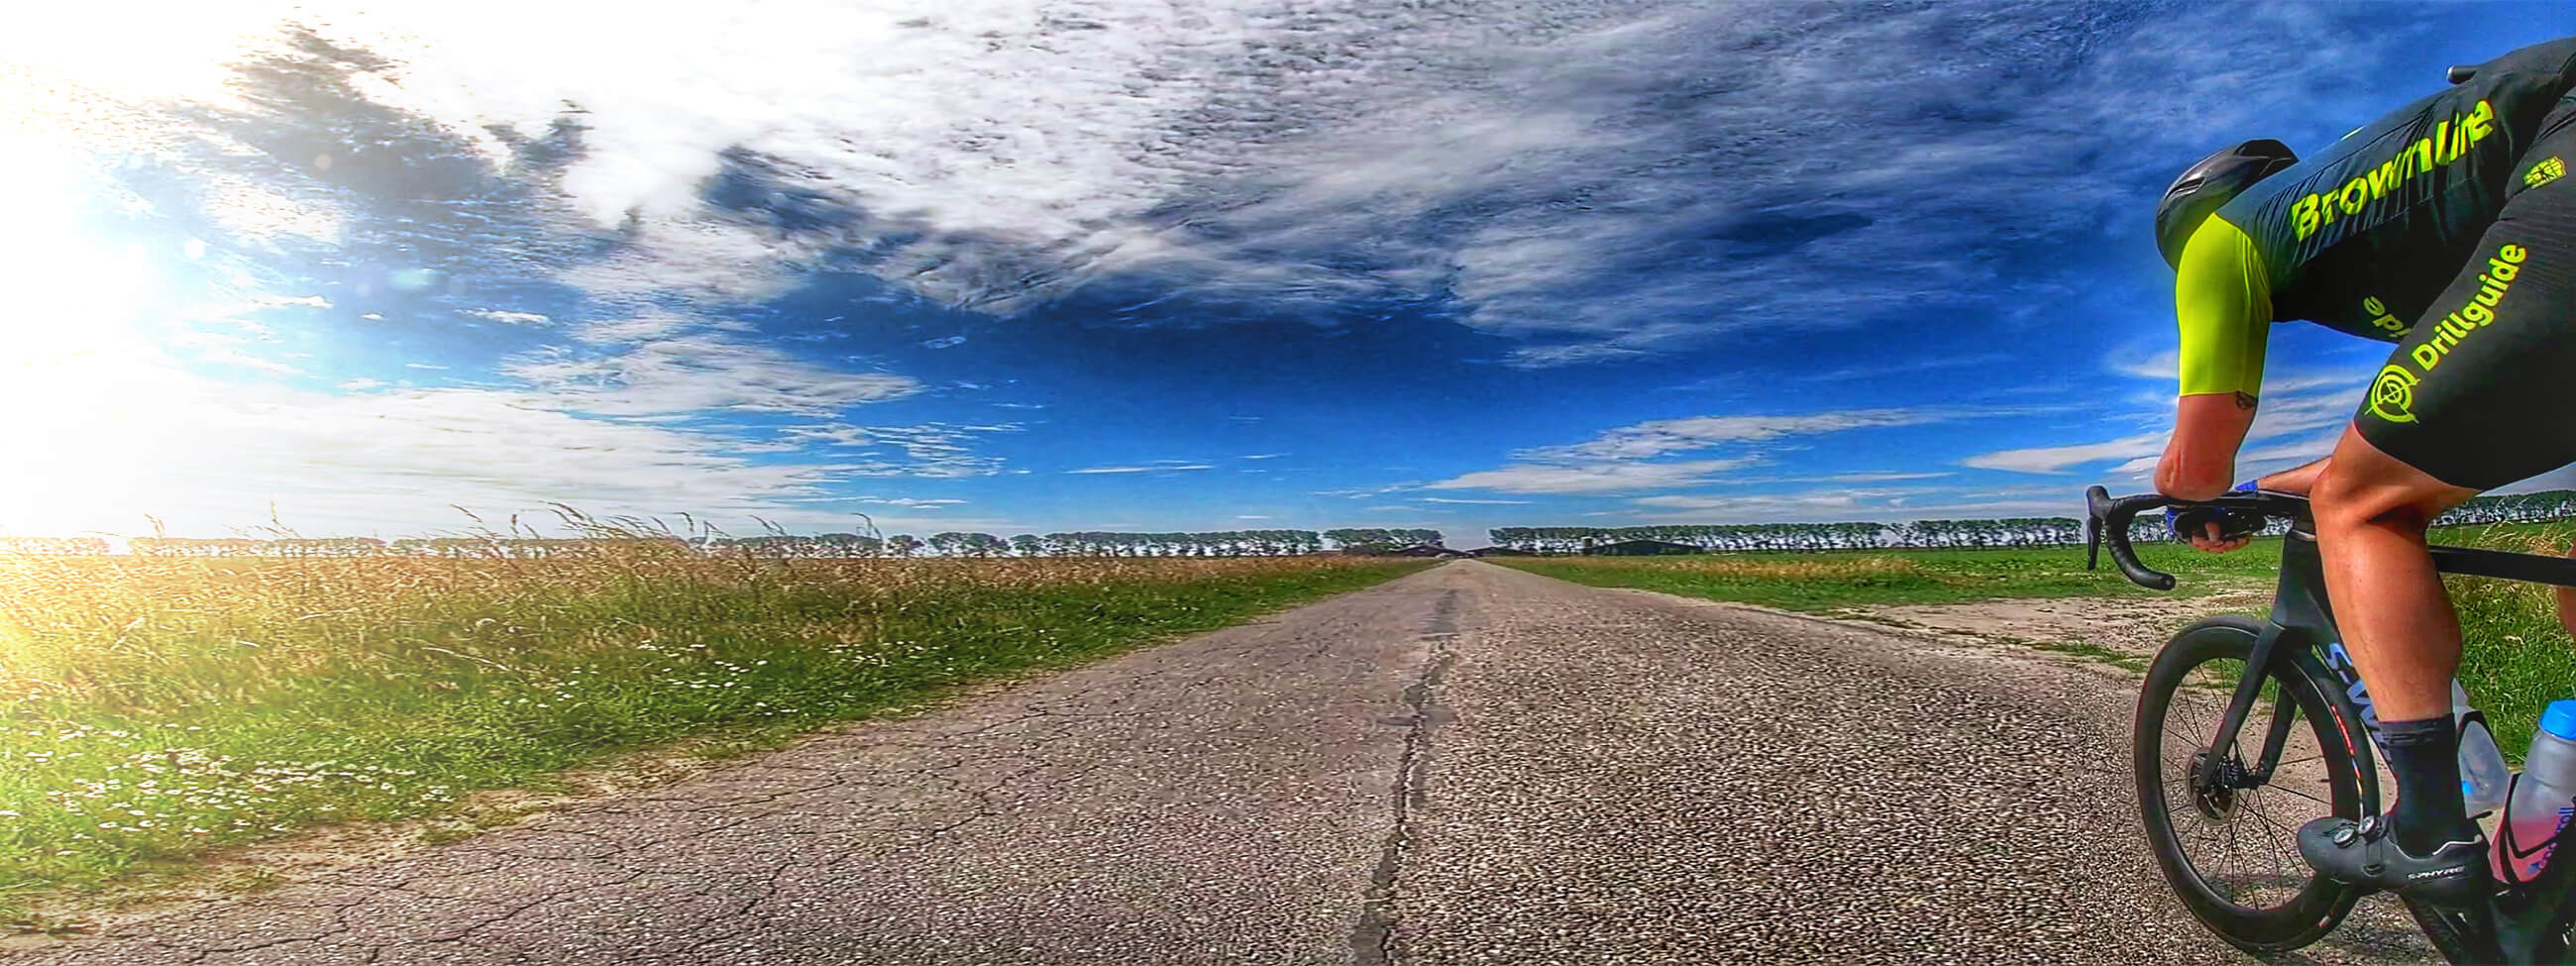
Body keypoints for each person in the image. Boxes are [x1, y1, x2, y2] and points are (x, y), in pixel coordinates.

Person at [2153, 35, 2576, 909]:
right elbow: (2426, 440)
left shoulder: (2218, 241)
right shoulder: (2407, 220)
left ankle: (2428, 827)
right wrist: (2268, 490)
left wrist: (2183, 501)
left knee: (2362, 508)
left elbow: (2198, 459)